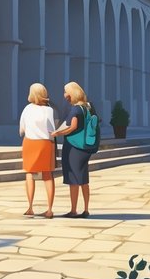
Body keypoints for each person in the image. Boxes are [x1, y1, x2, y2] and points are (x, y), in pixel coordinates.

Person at [50, 81, 96, 218]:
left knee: (74, 179)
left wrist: (58, 133)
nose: (64, 95)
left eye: (66, 92)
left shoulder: (75, 109)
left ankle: (73, 209)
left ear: (72, 93)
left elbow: (73, 127)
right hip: (85, 147)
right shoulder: (87, 107)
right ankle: (86, 209)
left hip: (74, 147)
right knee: (83, 179)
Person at [19, 82, 57, 218]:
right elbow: (52, 130)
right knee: (48, 175)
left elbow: (21, 129)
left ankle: (30, 207)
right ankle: (50, 209)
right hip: (45, 144)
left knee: (30, 174)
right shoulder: (49, 110)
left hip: (29, 143)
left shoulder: (27, 109)